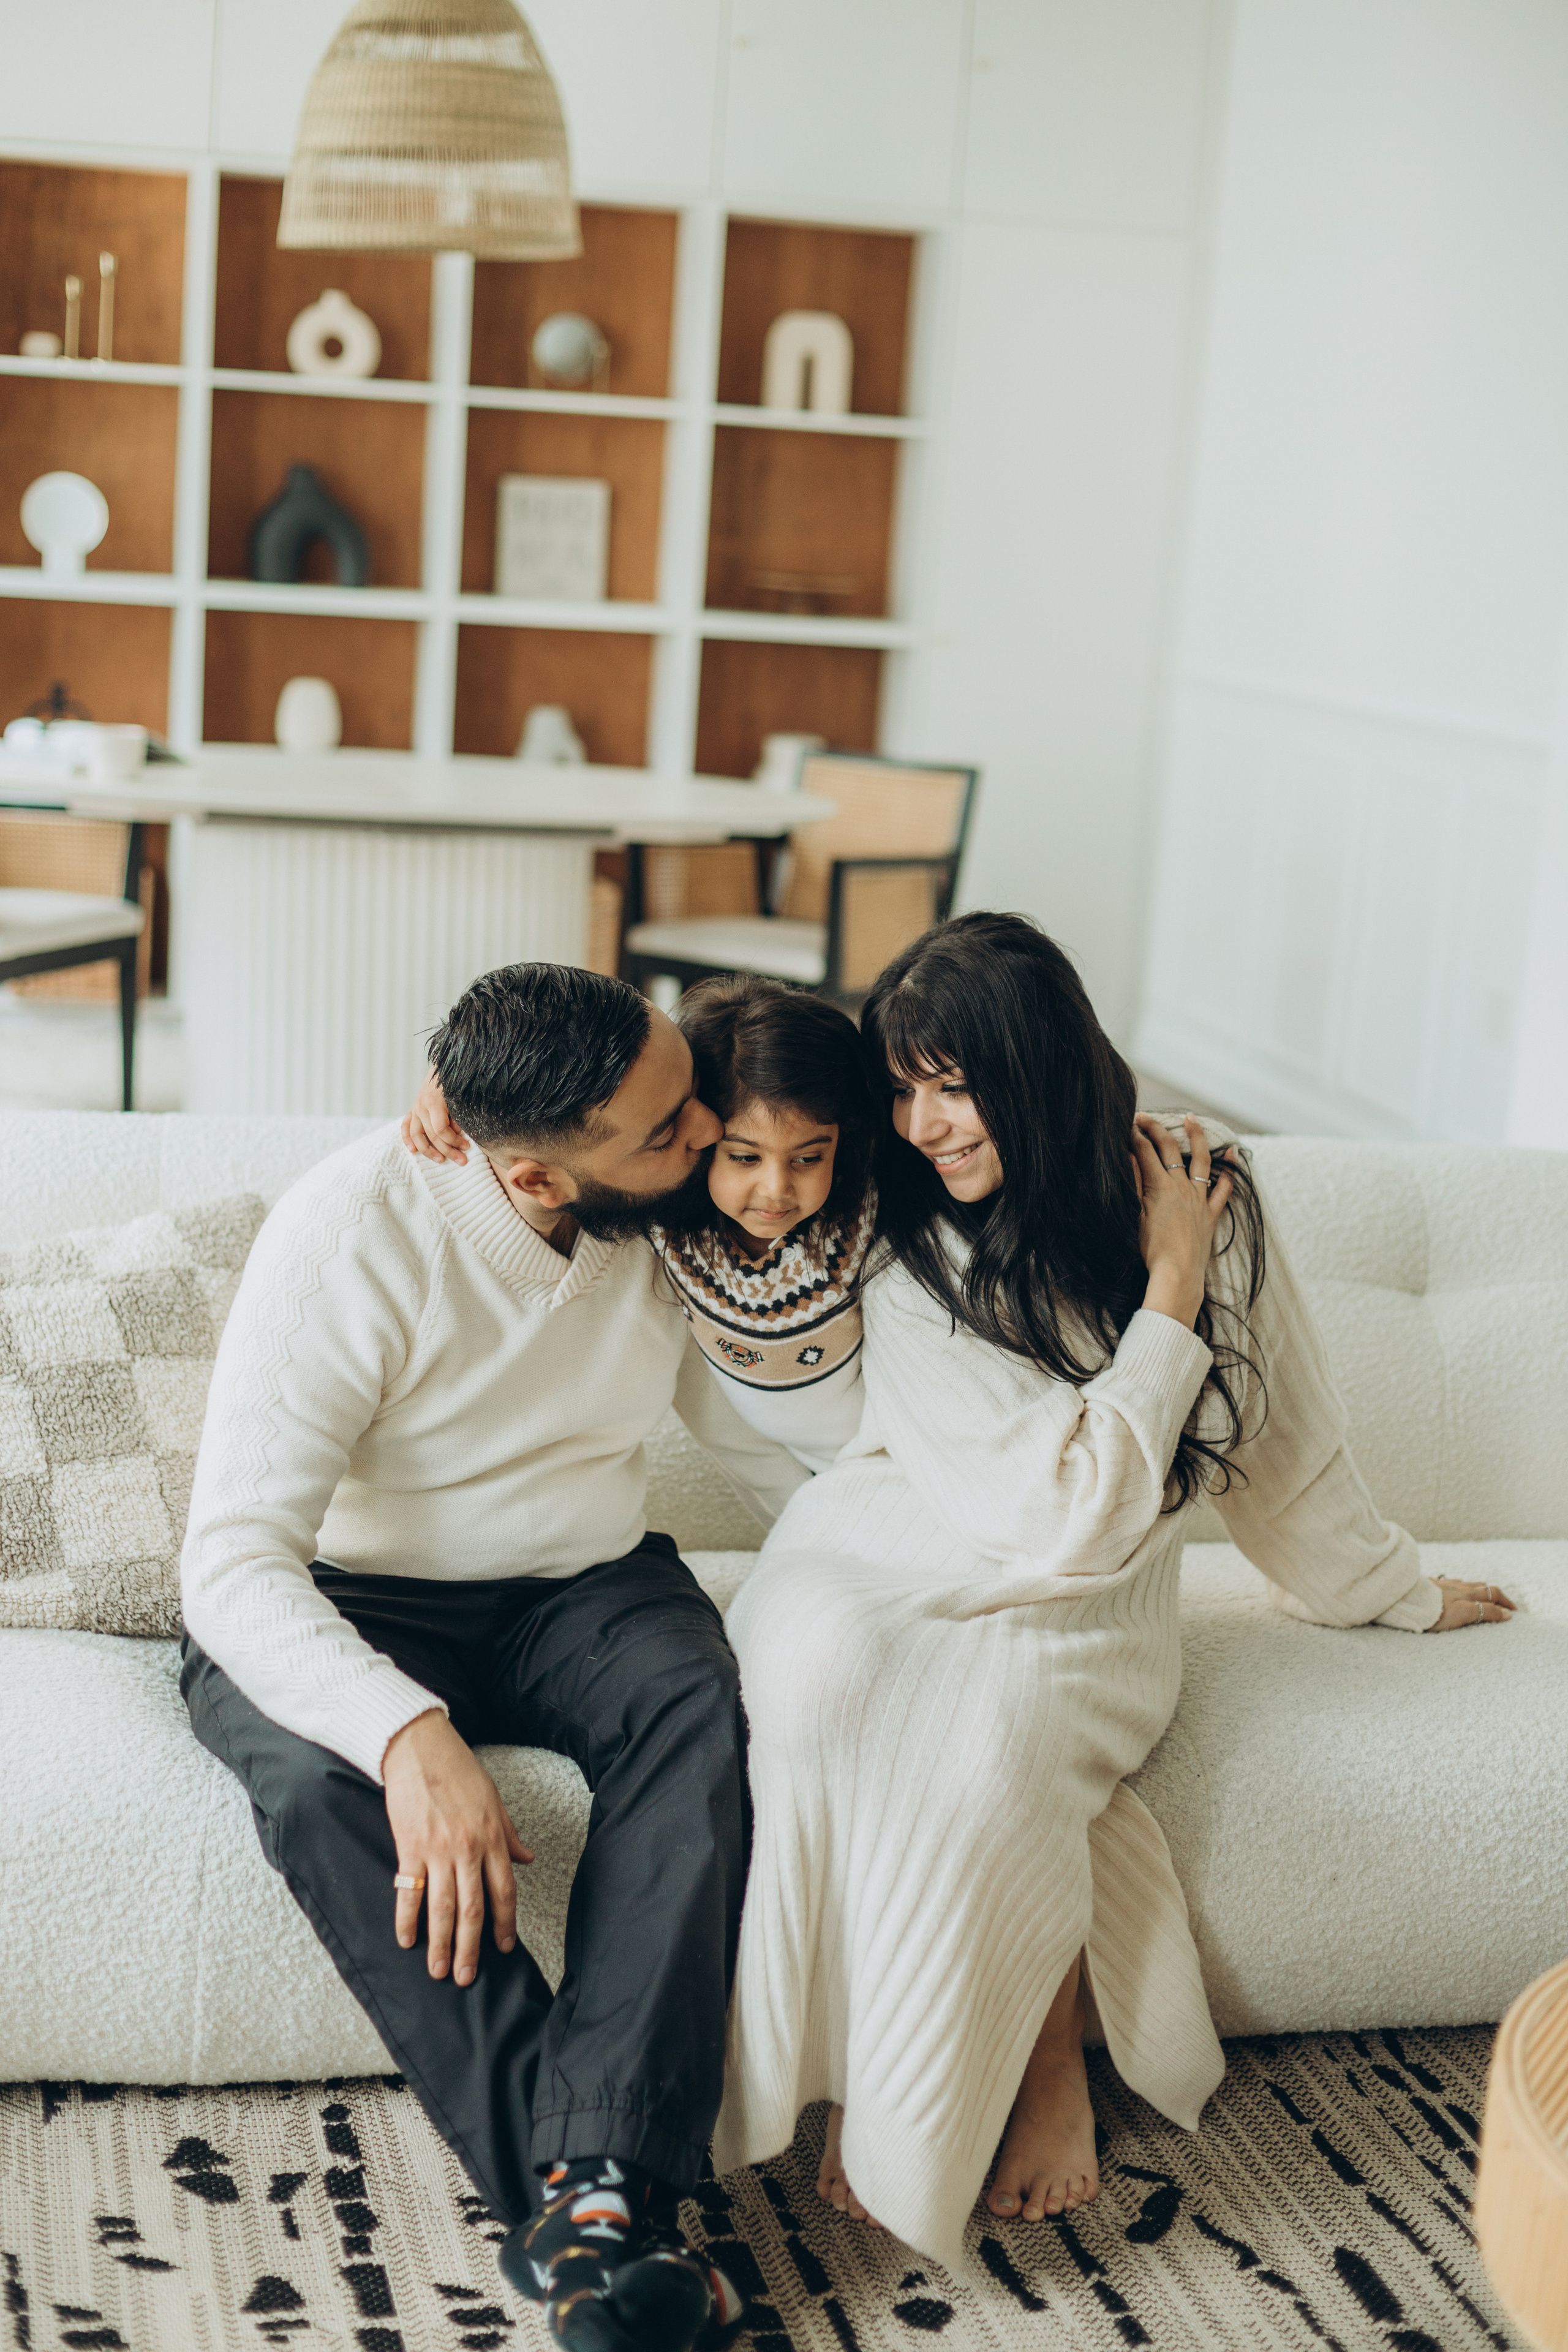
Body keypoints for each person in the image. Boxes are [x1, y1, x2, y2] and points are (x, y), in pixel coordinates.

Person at [709, 911, 1515, 2269]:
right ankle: (868, 2066)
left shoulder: (1198, 1185)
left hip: (1077, 1592)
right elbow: (1060, 1498)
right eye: (899, 1089)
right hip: (884, 1535)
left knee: (990, 1728)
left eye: (950, 1084)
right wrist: (1171, 1286)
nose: (921, 1125)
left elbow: (1274, 1438)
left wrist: (1384, 1589)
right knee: (820, 1683)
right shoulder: (899, 1240)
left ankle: (1031, 2062)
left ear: (1034, 1069)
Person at [179, 963, 796, 2352]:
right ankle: (601, 2219)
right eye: (664, 1130)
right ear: (526, 1168)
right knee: (309, 1779)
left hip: (582, 1584)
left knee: (695, 1699)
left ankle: (586, 2223)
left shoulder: (663, 1192)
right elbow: (229, 1563)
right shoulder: (354, 1229)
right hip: (352, 1594)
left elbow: (765, 1439)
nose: (702, 1135)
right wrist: (406, 1735)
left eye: (684, 1097)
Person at [407, 973, 878, 1479]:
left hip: (892, 1455)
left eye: (807, 1158)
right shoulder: (657, 1208)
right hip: (790, 1477)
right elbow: (552, 1062)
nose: (776, 1189)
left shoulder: (867, 1217)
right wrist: (448, 1084)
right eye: (742, 1156)